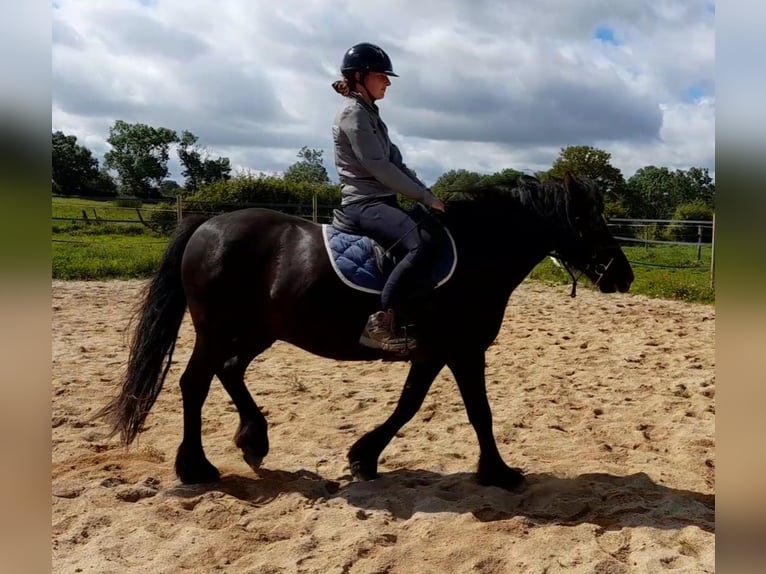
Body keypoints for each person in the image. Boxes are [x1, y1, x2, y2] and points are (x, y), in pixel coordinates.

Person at [331, 42, 446, 354]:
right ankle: (382, 322)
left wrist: (430, 197)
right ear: (359, 76)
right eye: (382, 75)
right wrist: (422, 197)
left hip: (382, 201)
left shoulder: (371, 115)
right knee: (419, 244)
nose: (388, 82)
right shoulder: (353, 115)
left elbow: (398, 164)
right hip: (363, 204)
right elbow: (379, 167)